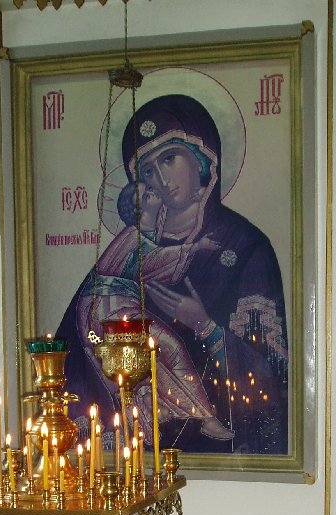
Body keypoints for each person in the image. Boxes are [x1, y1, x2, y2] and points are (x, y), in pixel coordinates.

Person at [57, 93, 288, 456]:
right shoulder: (131, 247)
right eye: (148, 171)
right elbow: (75, 351)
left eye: (169, 158)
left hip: (224, 463)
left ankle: (200, 417)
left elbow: (273, 375)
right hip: (136, 459)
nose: (161, 179)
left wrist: (205, 326)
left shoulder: (245, 248)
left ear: (203, 159)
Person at [74, 180, 233, 442]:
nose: (152, 192)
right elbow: (155, 261)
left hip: (116, 306)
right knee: (169, 348)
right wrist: (195, 247)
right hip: (106, 309)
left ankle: (164, 418)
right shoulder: (132, 237)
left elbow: (159, 266)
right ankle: (203, 418)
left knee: (155, 360)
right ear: (137, 207)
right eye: (145, 193)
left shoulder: (144, 235)